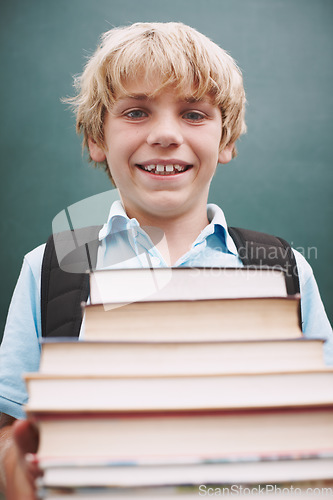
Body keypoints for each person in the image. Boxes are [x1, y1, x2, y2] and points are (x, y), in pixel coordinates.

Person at [0, 22, 332, 500]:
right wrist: (22, 469)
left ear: (226, 141)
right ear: (98, 139)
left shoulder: (286, 268)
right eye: (136, 112)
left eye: (194, 114)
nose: (165, 134)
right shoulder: (51, 266)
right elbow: (11, 434)